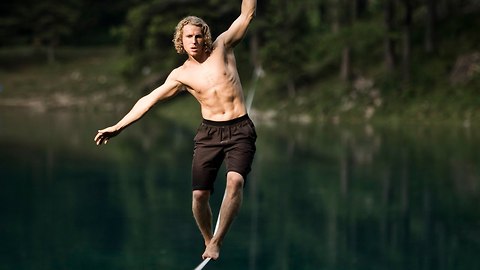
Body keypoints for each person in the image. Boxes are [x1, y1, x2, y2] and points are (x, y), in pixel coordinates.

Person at [94, 0, 257, 261]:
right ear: (180, 41)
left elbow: (247, 14)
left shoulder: (223, 47)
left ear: (206, 37)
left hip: (240, 128)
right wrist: (118, 126)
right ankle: (207, 239)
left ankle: (217, 241)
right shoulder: (180, 75)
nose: (193, 40)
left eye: (198, 35)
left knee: (235, 181)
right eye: (188, 37)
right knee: (199, 195)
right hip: (209, 133)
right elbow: (148, 99)